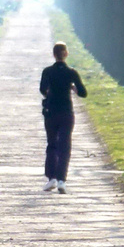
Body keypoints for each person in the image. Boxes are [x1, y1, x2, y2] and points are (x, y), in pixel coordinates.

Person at [39, 41, 87, 194]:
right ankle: (61, 181)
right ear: (66, 54)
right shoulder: (71, 72)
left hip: (51, 112)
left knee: (51, 144)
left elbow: (42, 89)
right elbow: (83, 92)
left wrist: (50, 93)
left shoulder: (47, 71)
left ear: (54, 55)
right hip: (67, 112)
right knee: (65, 146)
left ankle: (51, 177)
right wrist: (72, 87)